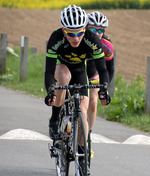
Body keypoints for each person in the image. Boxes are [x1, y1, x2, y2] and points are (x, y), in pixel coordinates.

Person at [44, 5, 110, 175]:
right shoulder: (55, 38)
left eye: (80, 32)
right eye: (71, 34)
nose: (76, 37)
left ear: (85, 29)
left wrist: (104, 89)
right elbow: (49, 72)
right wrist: (50, 90)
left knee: (82, 110)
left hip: (80, 71)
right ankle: (55, 116)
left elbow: (103, 70)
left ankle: (82, 155)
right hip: (61, 67)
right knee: (64, 78)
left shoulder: (91, 38)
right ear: (63, 30)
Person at [86, 11, 114, 140]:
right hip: (77, 64)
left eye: (100, 30)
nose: (97, 33)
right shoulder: (79, 39)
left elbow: (110, 68)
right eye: (93, 29)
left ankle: (87, 136)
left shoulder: (107, 46)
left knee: (93, 101)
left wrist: (104, 88)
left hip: (95, 66)